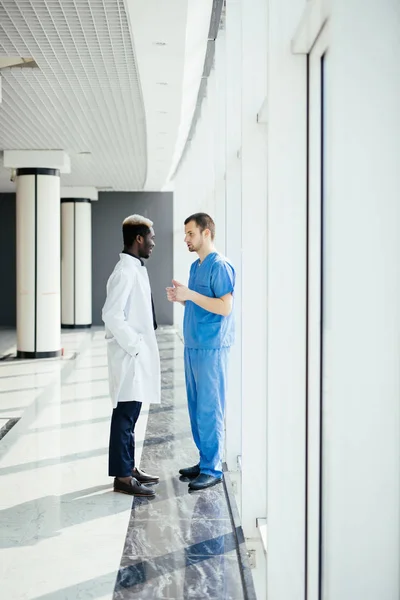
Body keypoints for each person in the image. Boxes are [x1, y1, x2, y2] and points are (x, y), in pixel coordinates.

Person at [166, 213, 235, 491]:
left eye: (190, 233)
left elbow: (225, 307)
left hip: (212, 348)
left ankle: (213, 468)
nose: (186, 239)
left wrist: (191, 296)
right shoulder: (196, 267)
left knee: (210, 408)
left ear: (207, 233)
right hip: (194, 345)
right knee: (196, 408)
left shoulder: (221, 266)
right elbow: (202, 304)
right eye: (185, 234)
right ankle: (204, 460)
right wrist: (183, 299)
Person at [102, 214, 161, 497]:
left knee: (131, 414)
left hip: (134, 354)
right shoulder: (125, 272)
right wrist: (135, 344)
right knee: (125, 416)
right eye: (150, 237)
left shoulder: (134, 269)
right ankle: (123, 477)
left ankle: (129, 467)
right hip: (129, 355)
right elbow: (111, 314)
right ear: (138, 238)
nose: (153, 242)